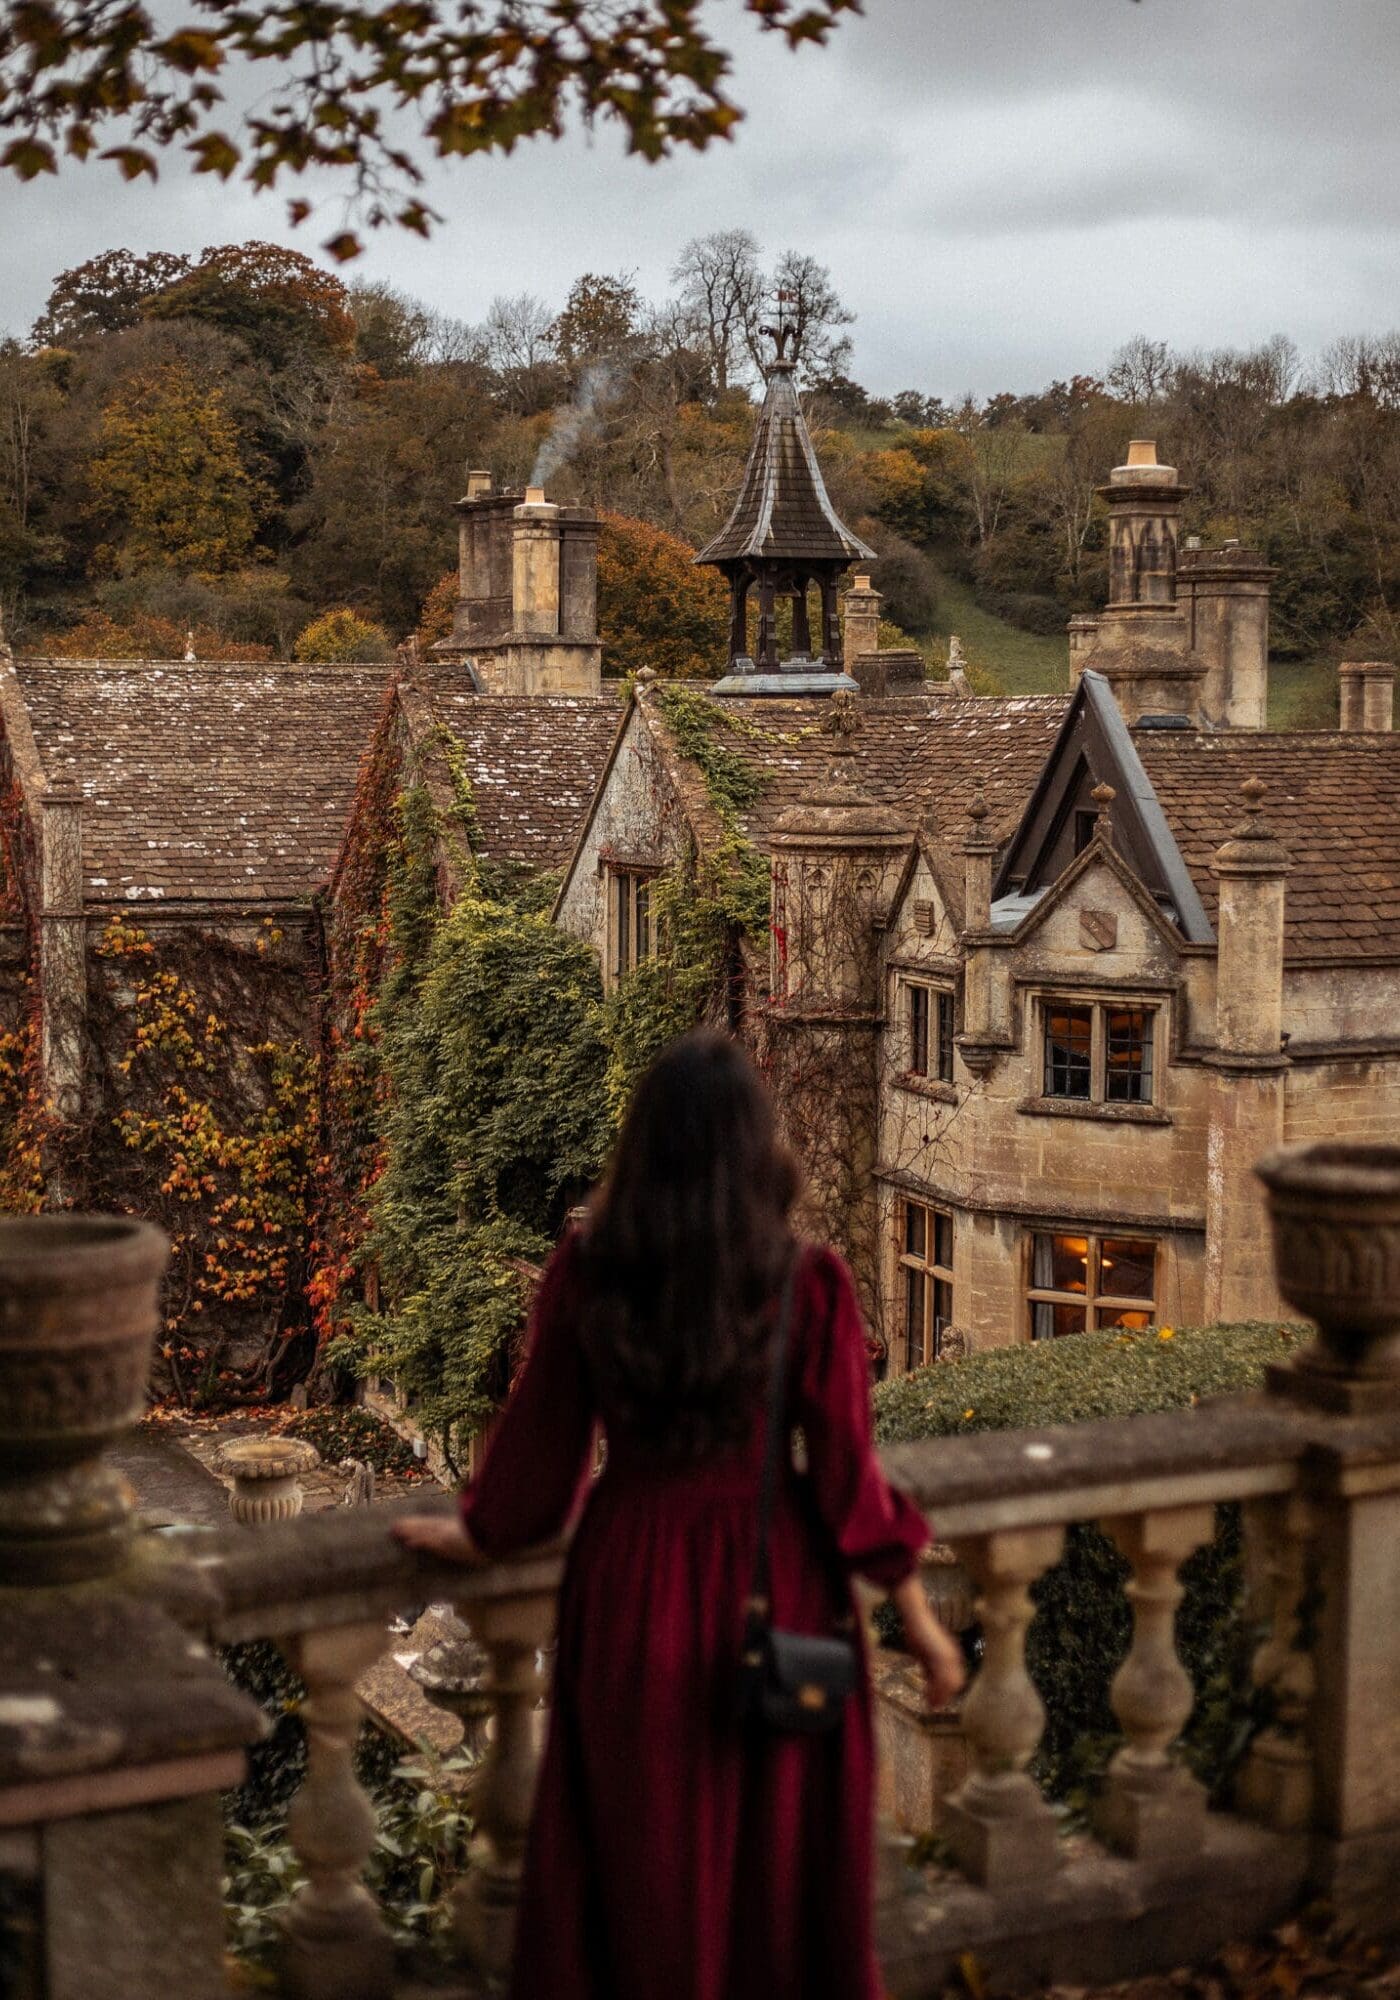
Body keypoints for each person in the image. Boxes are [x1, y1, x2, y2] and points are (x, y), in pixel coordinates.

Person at [396, 1028, 964, 2000]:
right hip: (771, 1582)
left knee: (643, 1859)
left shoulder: (590, 1271)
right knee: (773, 1871)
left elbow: (538, 1458)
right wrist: (918, 1618)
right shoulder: (807, 1283)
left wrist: (471, 1530)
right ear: (759, 1148)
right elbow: (843, 1481)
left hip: (632, 1585)